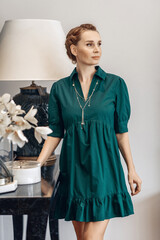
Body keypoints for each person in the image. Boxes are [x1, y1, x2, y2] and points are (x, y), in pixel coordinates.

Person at [37, 23, 142, 240]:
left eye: (99, 44)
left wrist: (131, 169)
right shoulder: (60, 89)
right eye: (90, 44)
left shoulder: (115, 84)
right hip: (73, 174)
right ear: (74, 50)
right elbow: (55, 133)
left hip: (104, 171)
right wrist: (35, 166)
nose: (97, 50)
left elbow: (121, 132)